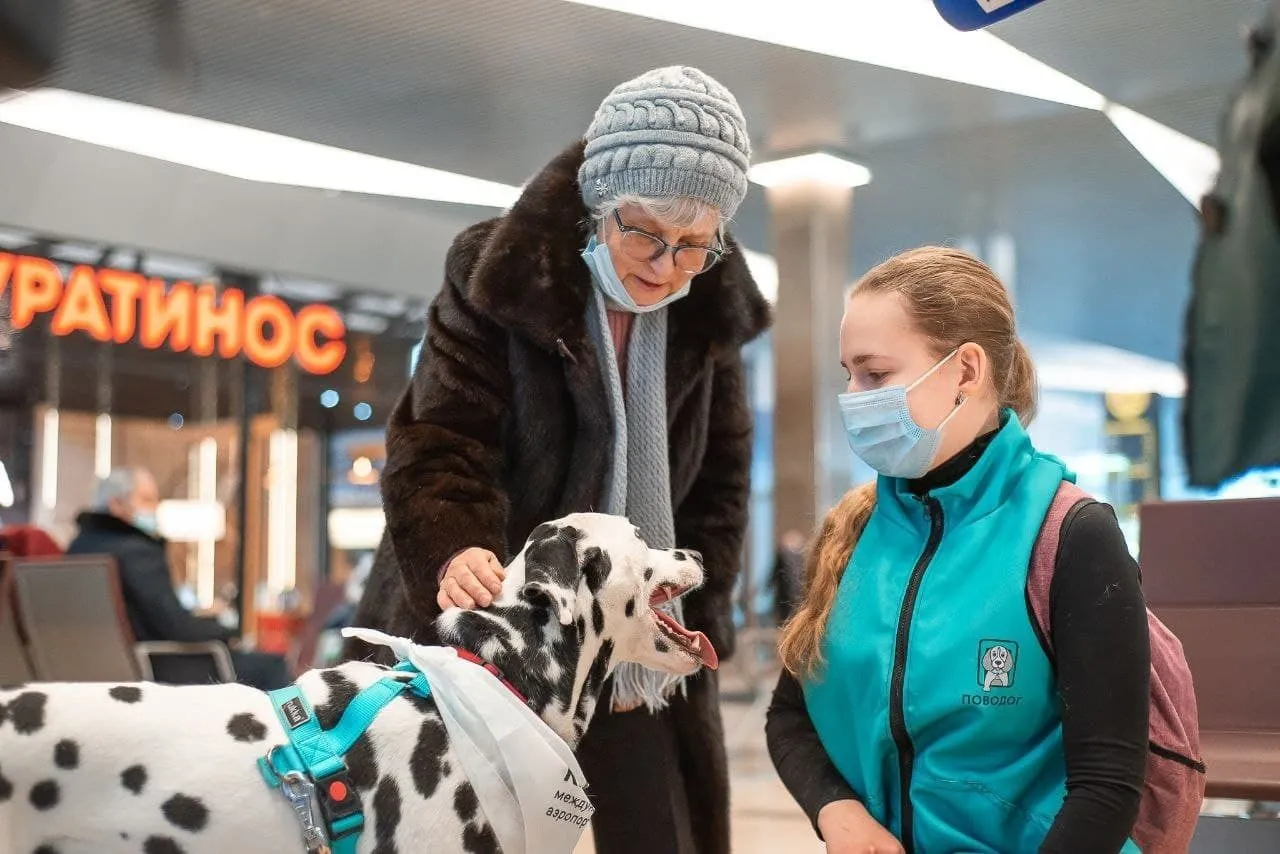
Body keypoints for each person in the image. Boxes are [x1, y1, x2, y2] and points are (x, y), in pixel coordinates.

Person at [344, 66, 769, 854]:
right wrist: (455, 547)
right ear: (597, 205)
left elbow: (721, 484)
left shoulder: (708, 314)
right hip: (498, 633)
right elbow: (439, 442)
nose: (665, 265)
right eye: (643, 232)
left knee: (656, 831)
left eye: (692, 247)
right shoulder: (497, 281)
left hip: (637, 642)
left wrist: (694, 608)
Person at [765, 247, 1150, 854]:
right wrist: (837, 811)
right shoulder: (854, 534)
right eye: (847, 374)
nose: (854, 396)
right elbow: (791, 718)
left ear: (966, 370)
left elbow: (1107, 786)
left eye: (875, 374)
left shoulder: (1072, 534)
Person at [66, 467, 291, 692]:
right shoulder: (137, 552)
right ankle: (295, 728)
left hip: (97, 671)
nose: (155, 508)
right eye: (147, 500)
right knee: (270, 665)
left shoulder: (78, 548)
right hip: (158, 667)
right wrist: (226, 628)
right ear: (116, 504)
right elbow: (177, 628)